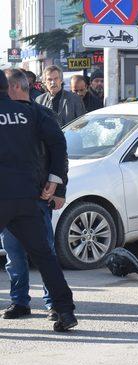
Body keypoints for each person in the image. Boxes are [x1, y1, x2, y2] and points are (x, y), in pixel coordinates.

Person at [0, 70, 77, 332]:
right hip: (27, 197)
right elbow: (58, 144)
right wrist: (56, 180)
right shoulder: (34, 112)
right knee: (44, 256)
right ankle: (65, 310)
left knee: (26, 255)